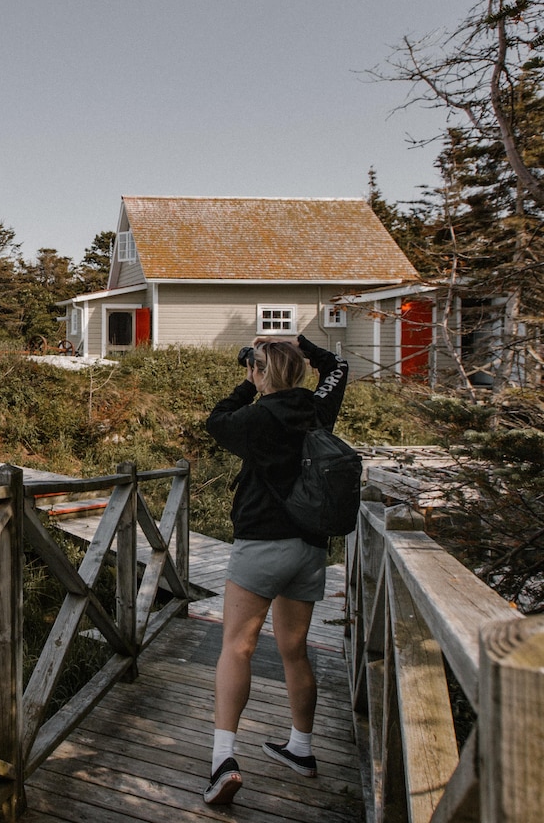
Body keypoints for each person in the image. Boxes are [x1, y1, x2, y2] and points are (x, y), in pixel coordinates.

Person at [201, 334, 348, 806]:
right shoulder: (317, 409)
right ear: (300, 371)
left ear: (261, 371)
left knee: (237, 648)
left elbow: (215, 421)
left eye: (256, 366)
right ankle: (301, 748)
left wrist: (248, 384)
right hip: (309, 548)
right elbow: (338, 369)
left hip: (262, 543)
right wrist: (307, 347)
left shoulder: (258, 415)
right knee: (294, 651)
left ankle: (224, 759)